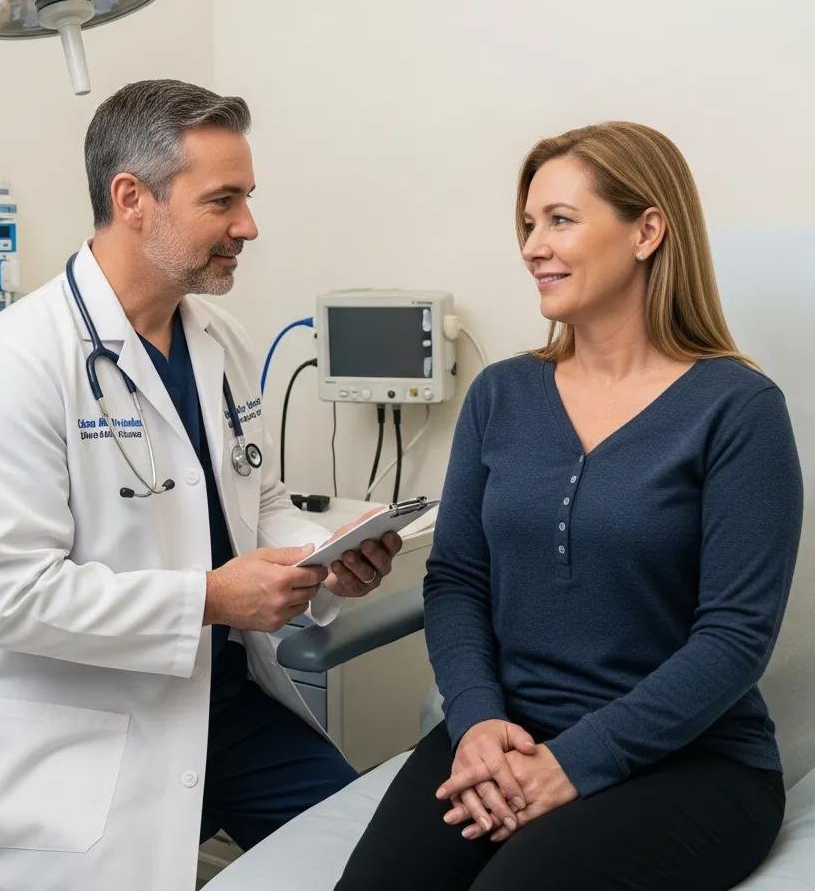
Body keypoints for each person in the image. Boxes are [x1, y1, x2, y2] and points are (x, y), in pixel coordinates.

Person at [0, 79, 402, 891]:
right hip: (87, 737)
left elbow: (254, 502)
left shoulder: (219, 339)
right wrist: (212, 599)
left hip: (225, 706)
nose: (248, 226)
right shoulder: (18, 361)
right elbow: (11, 596)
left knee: (382, 863)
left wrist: (324, 557)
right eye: (223, 201)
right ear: (132, 199)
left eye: (247, 198)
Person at [335, 121, 803, 890]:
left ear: (647, 231)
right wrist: (477, 721)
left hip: (689, 759)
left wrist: (572, 764)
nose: (532, 247)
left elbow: (734, 637)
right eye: (528, 224)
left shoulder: (738, 410)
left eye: (560, 220)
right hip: (505, 732)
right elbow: (457, 580)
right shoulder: (502, 395)